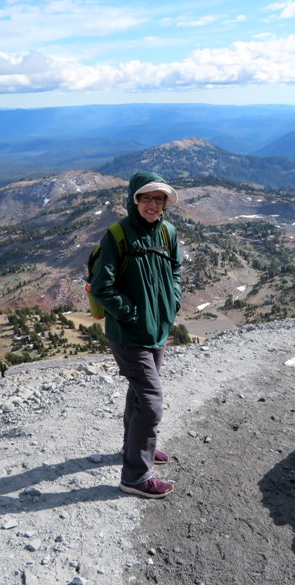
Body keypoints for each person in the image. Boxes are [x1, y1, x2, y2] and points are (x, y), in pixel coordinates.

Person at [88, 171, 181, 499]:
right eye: (146, 198)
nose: (153, 204)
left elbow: (176, 271)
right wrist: (131, 314)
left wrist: (173, 303)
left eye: (160, 199)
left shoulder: (168, 233)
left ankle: (135, 447)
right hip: (129, 335)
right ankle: (136, 477)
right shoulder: (118, 235)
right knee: (152, 402)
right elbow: (102, 287)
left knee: (140, 394)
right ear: (134, 200)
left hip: (158, 330)